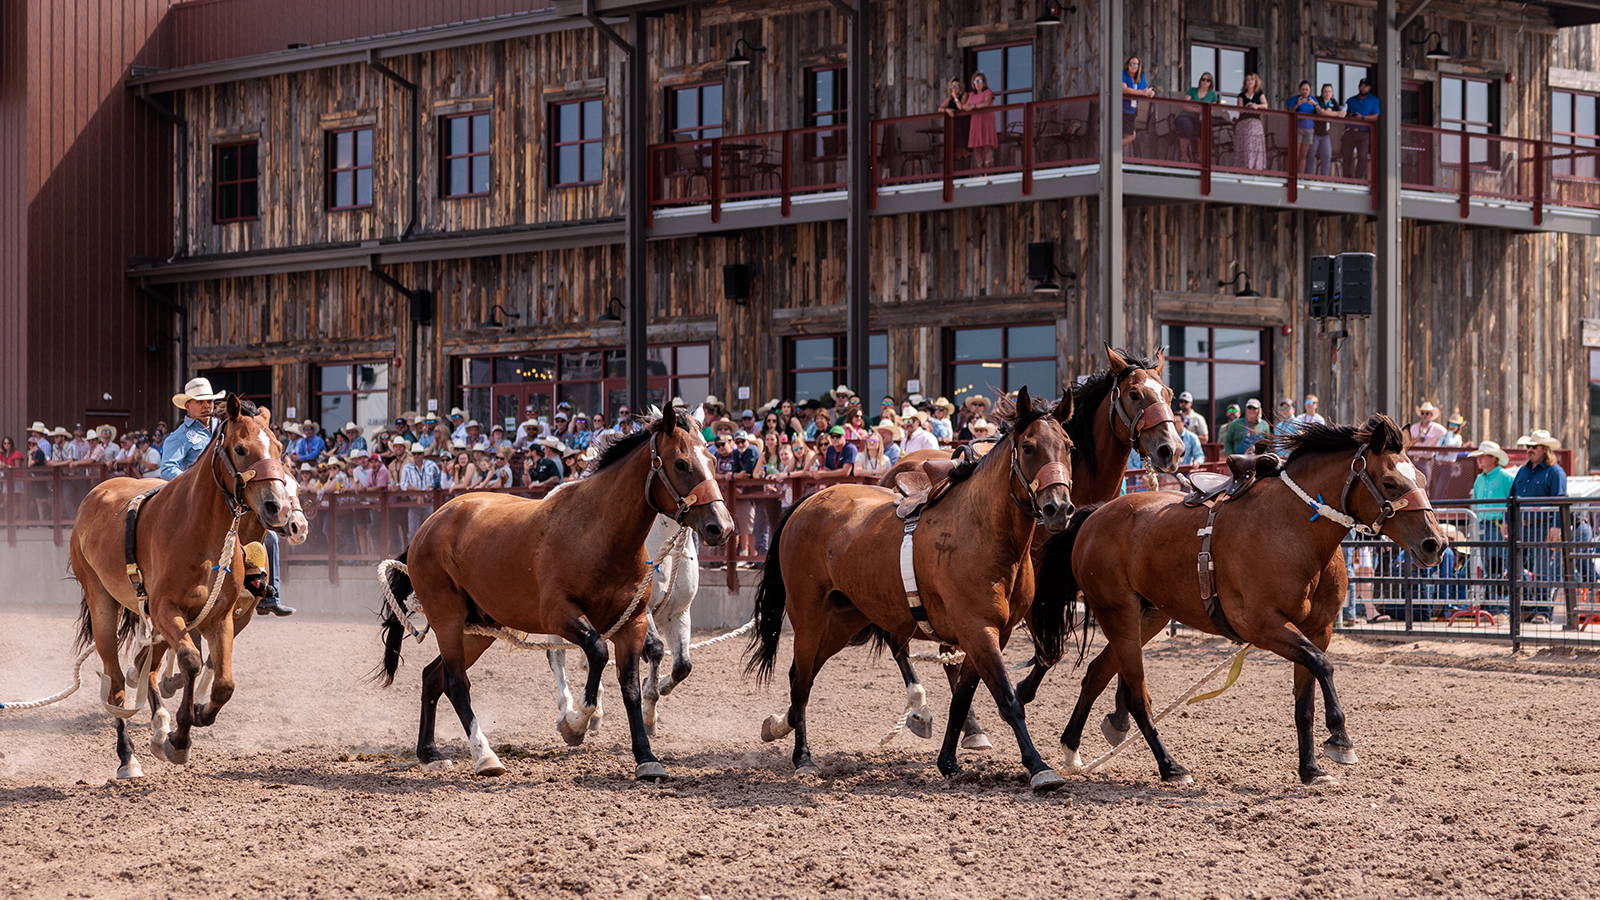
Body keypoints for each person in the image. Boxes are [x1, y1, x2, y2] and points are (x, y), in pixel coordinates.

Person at [1513, 429, 1567, 622]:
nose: (1529, 449)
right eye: (1528, 446)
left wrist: (1557, 526)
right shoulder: (1523, 470)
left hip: (1542, 525)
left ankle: (1543, 611)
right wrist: (1506, 521)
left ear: (1544, 449)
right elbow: (1512, 498)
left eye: (1533, 446)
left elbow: (1560, 500)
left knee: (1542, 569)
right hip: (1522, 526)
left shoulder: (1555, 472)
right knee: (1516, 567)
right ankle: (1526, 607)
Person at [1468, 440, 1513, 607]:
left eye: (1483, 456)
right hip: (1484, 526)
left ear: (1493, 458)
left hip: (1499, 526)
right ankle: (1494, 603)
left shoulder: (1507, 478)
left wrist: (1507, 523)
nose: (1479, 459)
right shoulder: (1479, 480)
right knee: (1489, 566)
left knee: (1498, 565)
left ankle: (1500, 605)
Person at [1342, 78, 1380, 180]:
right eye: (1361, 86)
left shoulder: (1374, 100)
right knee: (1347, 156)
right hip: (1350, 131)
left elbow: (1376, 116)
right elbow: (1343, 114)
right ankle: (1347, 179)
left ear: (1369, 88)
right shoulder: (1350, 100)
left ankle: (1358, 179)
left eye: (1366, 86)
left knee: (1362, 156)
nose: (1363, 88)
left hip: (1364, 132)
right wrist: (1350, 115)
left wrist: (1362, 118)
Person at [959, 72, 997, 168]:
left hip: (986, 120)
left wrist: (973, 106)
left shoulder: (988, 92)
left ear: (984, 82)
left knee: (986, 145)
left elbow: (986, 104)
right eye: (975, 81)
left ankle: (988, 169)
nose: (977, 83)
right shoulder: (971, 95)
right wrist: (962, 103)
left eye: (979, 81)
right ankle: (981, 169)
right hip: (975, 121)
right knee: (976, 146)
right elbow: (966, 106)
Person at [1177, 72, 1219, 159]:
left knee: (1204, 128)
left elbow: (1212, 109)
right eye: (1203, 79)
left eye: (1208, 80)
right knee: (1186, 126)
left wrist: (1197, 109)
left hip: (1201, 118)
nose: (1205, 82)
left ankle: (1200, 156)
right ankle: (1184, 155)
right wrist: (1198, 110)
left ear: (1211, 83)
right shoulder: (1192, 90)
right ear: (1200, 81)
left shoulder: (1213, 94)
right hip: (1186, 115)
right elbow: (1185, 106)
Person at [1235, 72, 1268, 170]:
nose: (1250, 82)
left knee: (1255, 144)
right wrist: (1247, 107)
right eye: (1248, 80)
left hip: (1255, 122)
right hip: (1244, 122)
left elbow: (1265, 105)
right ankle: (1244, 167)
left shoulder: (1259, 94)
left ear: (1255, 81)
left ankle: (1255, 167)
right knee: (1245, 144)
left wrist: (1256, 106)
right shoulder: (1241, 95)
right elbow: (1240, 110)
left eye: (1252, 80)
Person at [1121, 56, 1154, 148]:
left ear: (1139, 66)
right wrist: (1142, 92)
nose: (1133, 66)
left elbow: (1145, 90)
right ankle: (1112, 152)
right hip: (1122, 109)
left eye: (1136, 64)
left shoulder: (1140, 77)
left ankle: (1115, 155)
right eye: (1131, 63)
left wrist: (1150, 92)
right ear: (1127, 64)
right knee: (1130, 136)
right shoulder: (1123, 73)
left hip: (1132, 111)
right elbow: (1124, 89)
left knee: (1129, 135)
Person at [1310, 83, 1342, 176]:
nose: (1327, 93)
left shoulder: (1333, 102)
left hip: (1325, 134)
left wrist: (1330, 112)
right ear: (1322, 92)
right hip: (1314, 132)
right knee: (1311, 156)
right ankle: (1307, 178)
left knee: (1327, 156)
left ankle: (1324, 179)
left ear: (1332, 93)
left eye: (1329, 91)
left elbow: (1341, 113)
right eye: (1325, 91)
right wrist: (1329, 113)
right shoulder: (1318, 100)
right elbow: (1321, 113)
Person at [1287, 81, 1318, 175]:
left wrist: (1315, 105)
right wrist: (1297, 104)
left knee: (1303, 156)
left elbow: (1320, 112)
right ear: (1300, 90)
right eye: (1303, 89)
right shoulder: (1294, 99)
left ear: (1310, 90)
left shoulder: (1313, 100)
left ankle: (1300, 176)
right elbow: (1289, 111)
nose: (1305, 91)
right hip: (1297, 128)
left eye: (1307, 90)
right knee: (1295, 154)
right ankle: (1292, 175)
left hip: (1309, 129)